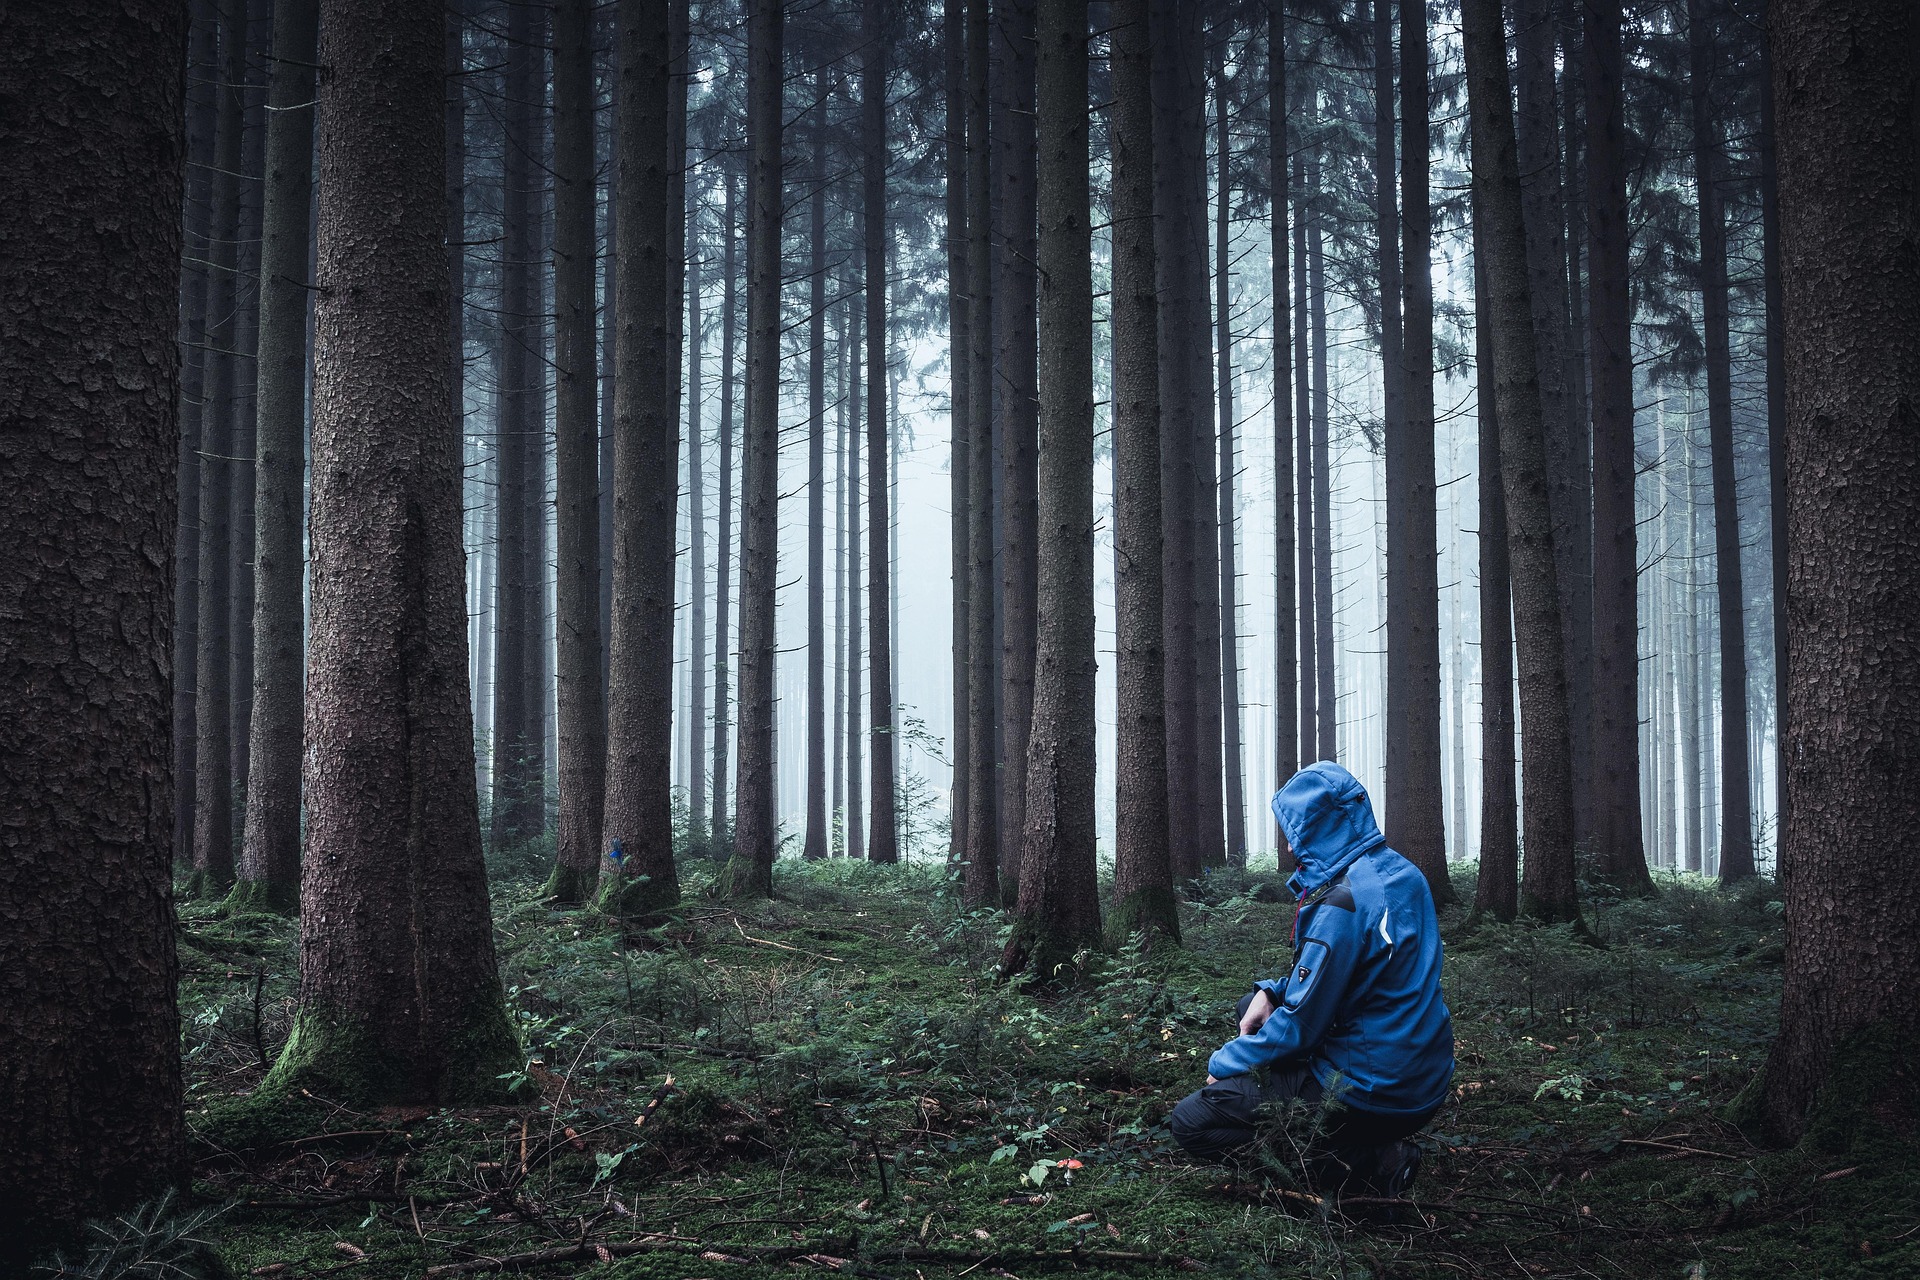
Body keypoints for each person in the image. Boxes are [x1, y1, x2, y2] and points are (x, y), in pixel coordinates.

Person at [1168, 762, 1454, 1196]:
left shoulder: (1345, 902)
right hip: (1421, 1076)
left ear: (1321, 829)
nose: (1288, 842)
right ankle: (1357, 1141)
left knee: (1192, 1122)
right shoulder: (1402, 873)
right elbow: (1358, 972)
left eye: (1296, 829)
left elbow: (1302, 1026)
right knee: (1252, 1006)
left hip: (1372, 1089)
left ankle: (1372, 1167)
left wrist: (1221, 1065)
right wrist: (1271, 992)